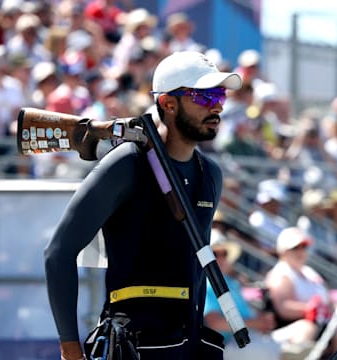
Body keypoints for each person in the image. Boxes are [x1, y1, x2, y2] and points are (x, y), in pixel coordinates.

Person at [44, 50, 242, 359]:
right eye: (203, 97)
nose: (216, 104)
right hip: (133, 348)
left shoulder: (211, 174)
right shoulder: (126, 164)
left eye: (219, 94)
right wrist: (70, 348)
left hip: (188, 346)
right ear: (168, 104)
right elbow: (59, 253)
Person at [203, 228, 281, 360]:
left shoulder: (230, 282)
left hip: (245, 341)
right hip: (225, 345)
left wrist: (261, 320)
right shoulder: (208, 283)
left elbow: (245, 315)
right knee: (279, 350)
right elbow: (214, 323)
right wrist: (256, 323)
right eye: (215, 253)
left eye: (224, 253)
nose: (221, 258)